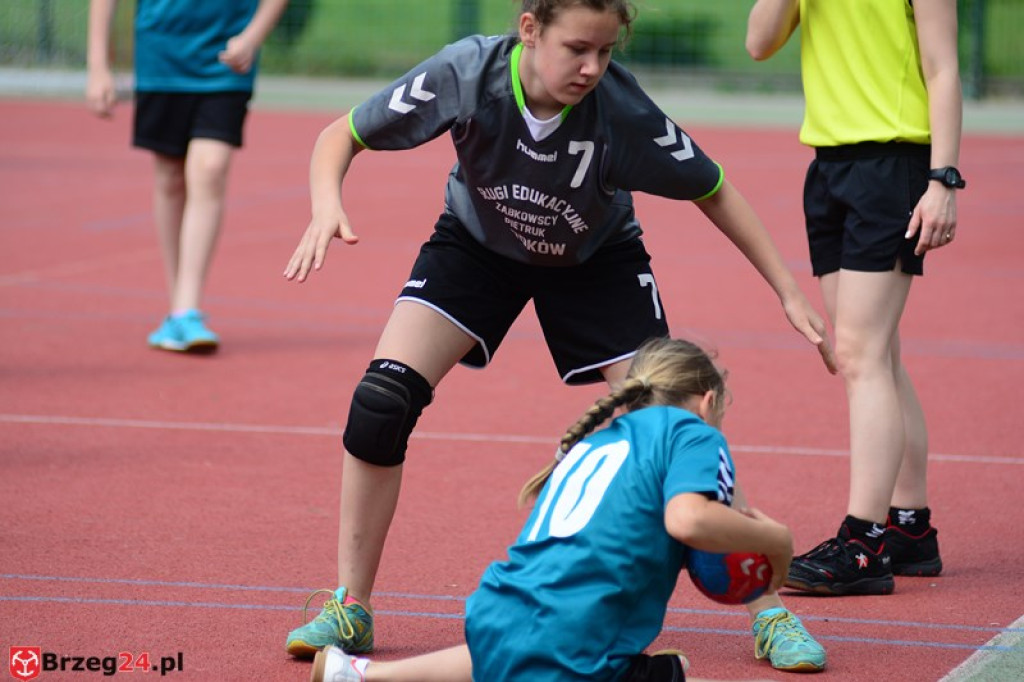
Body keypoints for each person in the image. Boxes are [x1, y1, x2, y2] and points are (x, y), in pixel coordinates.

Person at [284, 0, 836, 671]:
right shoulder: (468, 74)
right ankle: (352, 605)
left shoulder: (621, 111)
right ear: (528, 29)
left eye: (605, 52)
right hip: (476, 248)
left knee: (671, 425)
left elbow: (713, 187)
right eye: (577, 48)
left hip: (595, 261)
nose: (592, 67)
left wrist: (785, 287)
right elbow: (340, 134)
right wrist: (325, 201)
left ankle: (768, 610)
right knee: (380, 402)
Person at [308, 337, 796, 682]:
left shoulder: (596, 441)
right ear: (707, 403)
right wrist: (776, 539)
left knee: (516, 654)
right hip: (576, 649)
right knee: (674, 671)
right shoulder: (691, 431)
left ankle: (361, 675)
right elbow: (688, 519)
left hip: (495, 614)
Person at [746, 0, 962, 594]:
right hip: (831, 165)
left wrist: (944, 179)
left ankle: (863, 541)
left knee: (861, 355)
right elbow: (759, 43)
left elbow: (942, 67)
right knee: (877, 355)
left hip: (895, 163)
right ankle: (911, 530)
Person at [86, 0, 289, 353]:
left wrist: (253, 36)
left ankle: (186, 309)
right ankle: (177, 309)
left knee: (210, 168)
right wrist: (97, 66)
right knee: (169, 178)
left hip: (227, 60)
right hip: (160, 58)